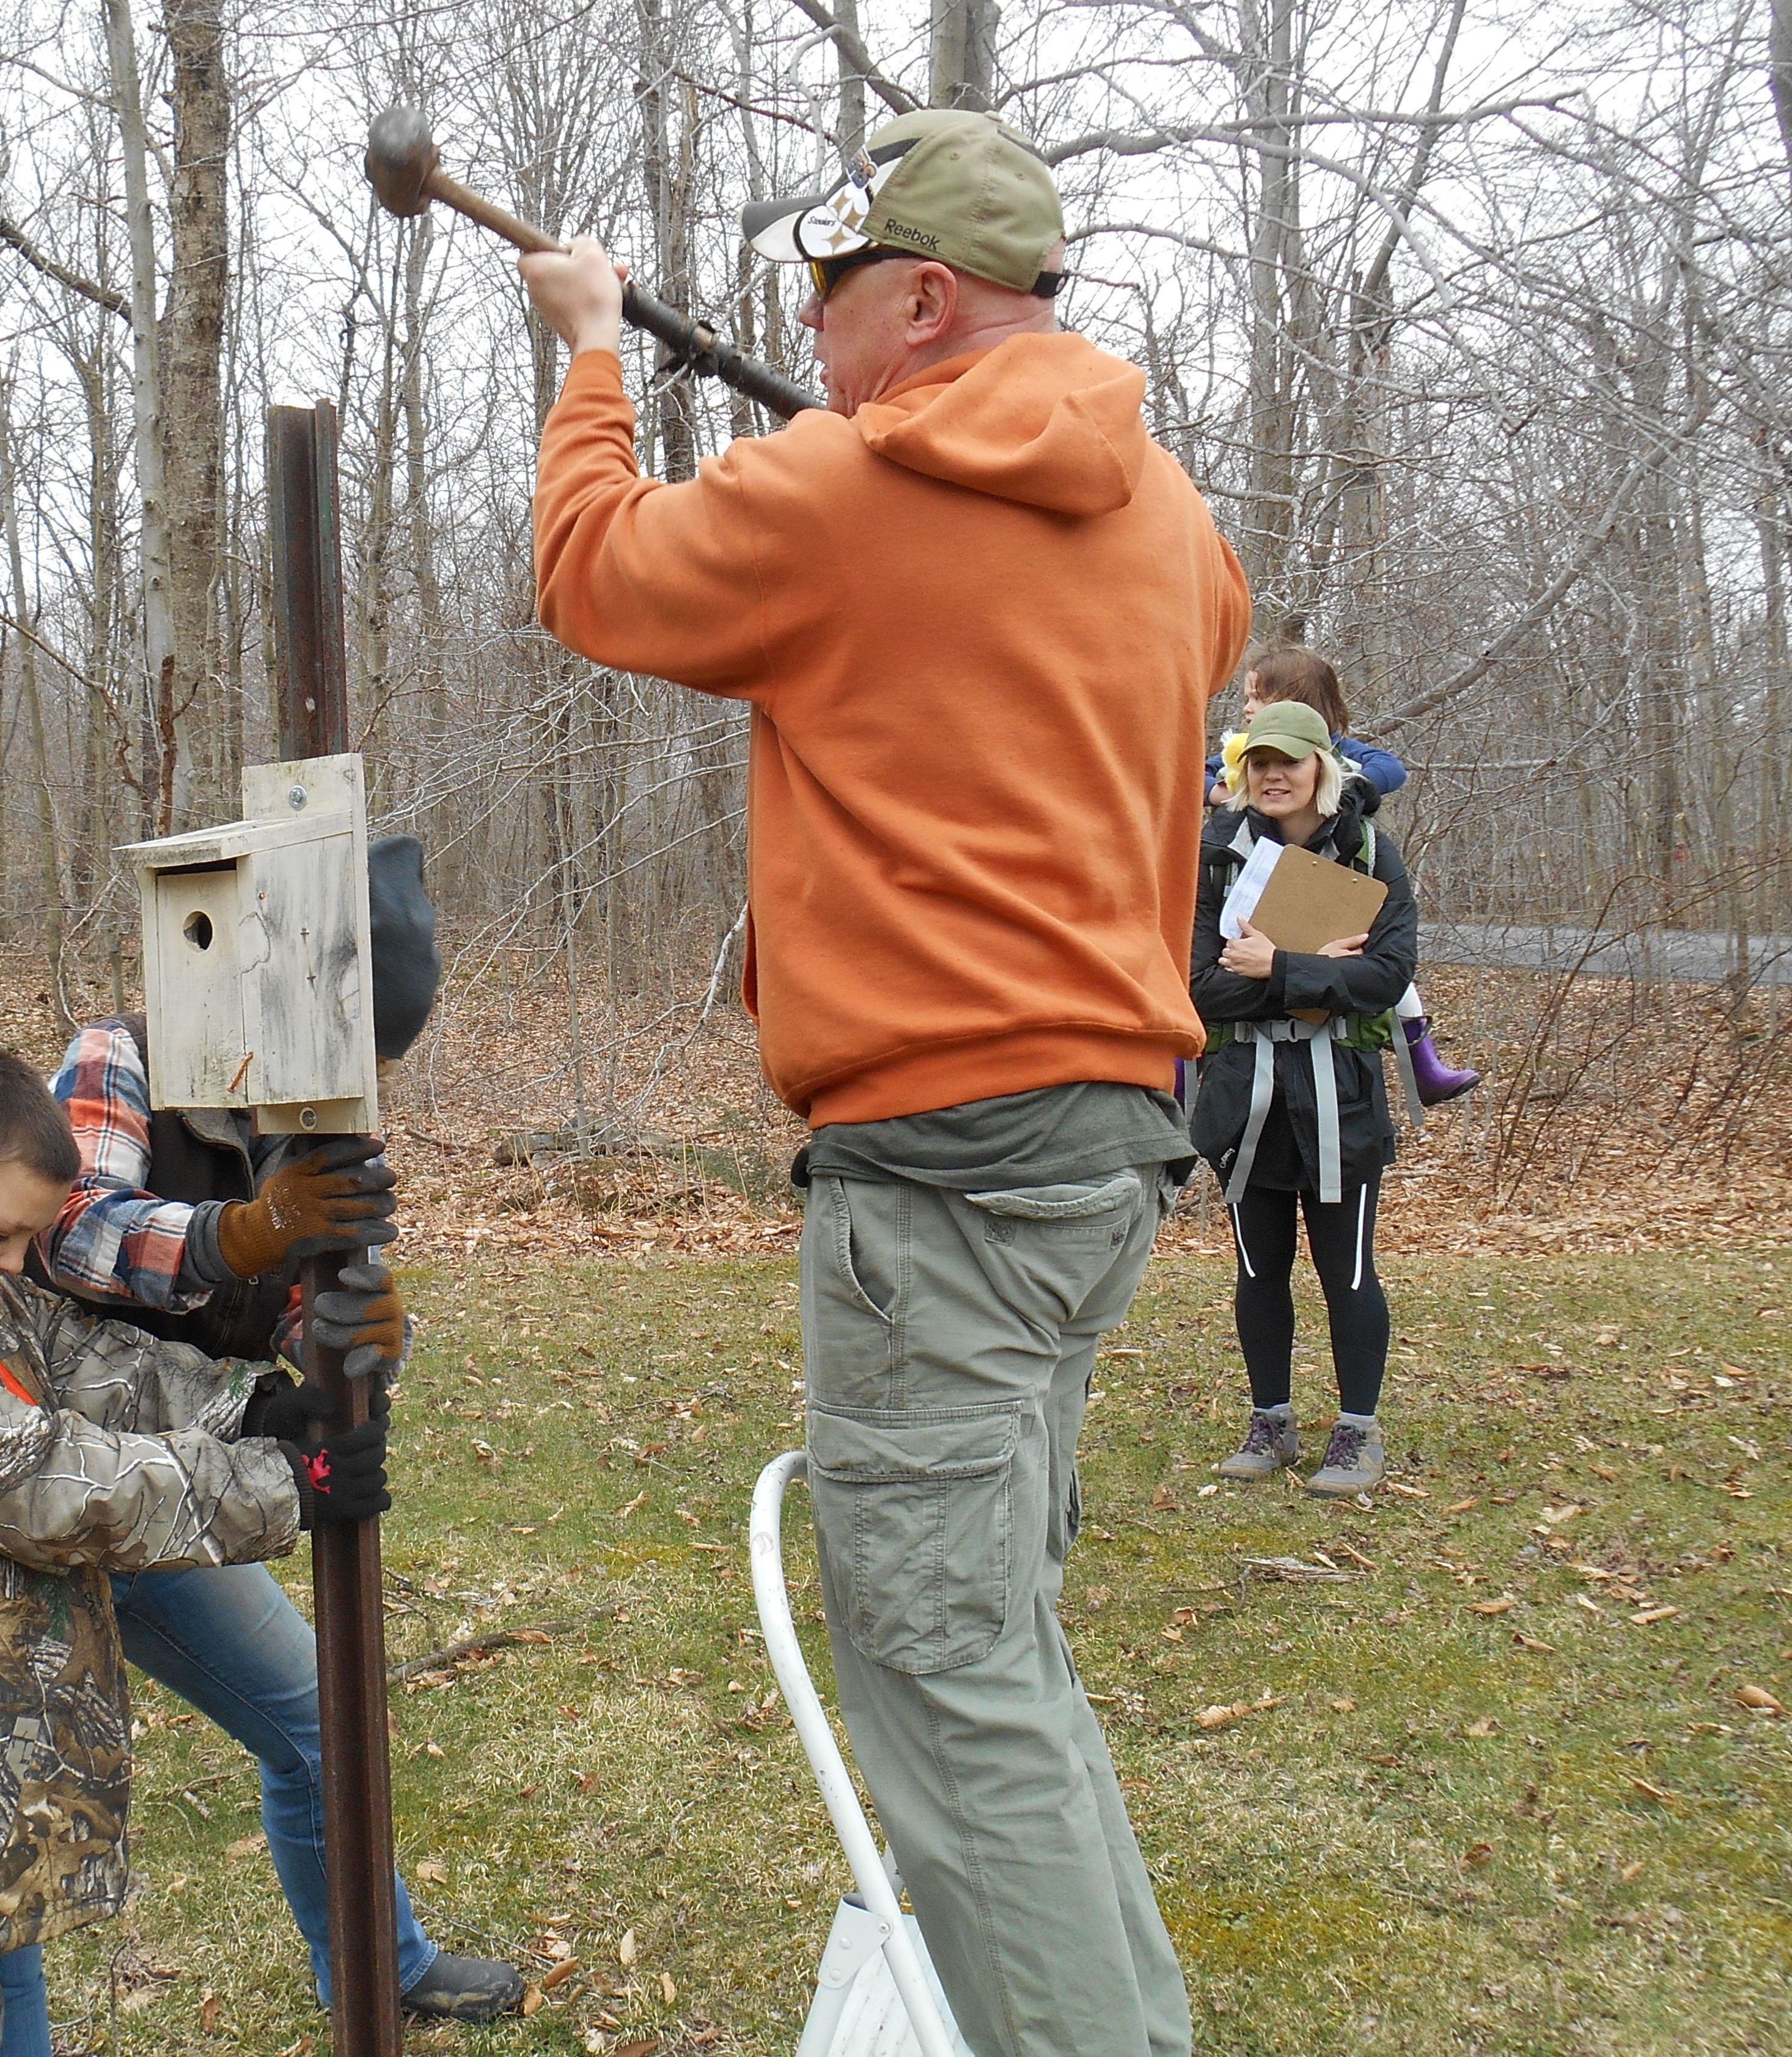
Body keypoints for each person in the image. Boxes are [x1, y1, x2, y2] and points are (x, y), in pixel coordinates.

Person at [519, 108, 1245, 2057]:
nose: (817, 337)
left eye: (835, 300)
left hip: (940, 1162)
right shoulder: (1178, 527)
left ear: (923, 300)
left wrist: (590, 349)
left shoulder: (843, 485)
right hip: (1106, 1145)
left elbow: (593, 573)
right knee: (993, 1655)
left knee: (940, 1676)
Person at [0, 1045, 399, 2057]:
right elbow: (47, 1484)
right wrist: (286, 1487)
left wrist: (252, 1406)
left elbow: (88, 1362)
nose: (16, 1262)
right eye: (5, 1234)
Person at [26, 837, 525, 2033]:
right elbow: (71, 1229)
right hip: (45, 1468)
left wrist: (361, 1343)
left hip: (189, 1472)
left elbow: (320, 1327)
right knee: (3, 1800)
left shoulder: (323, 1126)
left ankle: (377, 1968)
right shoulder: (123, 1054)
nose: (344, 1083)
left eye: (369, 1063)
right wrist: (239, 1235)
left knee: (315, 1720)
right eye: (348, 1048)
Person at [1188, 702, 1417, 1496]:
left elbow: (1384, 978)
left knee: (1344, 1269)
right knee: (1260, 1268)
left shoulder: (1365, 854)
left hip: (1339, 1102)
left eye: (1289, 759)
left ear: (1322, 764)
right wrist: (1318, 972)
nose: (1273, 775)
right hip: (1241, 1099)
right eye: (1258, 762)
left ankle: (1356, 1432)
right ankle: (1270, 1421)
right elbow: (1197, 988)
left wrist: (1276, 967)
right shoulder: (1215, 855)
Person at [1208, 646, 1479, 1104]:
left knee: (1385, 969)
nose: (1247, 708)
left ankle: (1422, 1060)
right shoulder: (1234, 769)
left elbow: (1389, 769)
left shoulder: (1342, 762)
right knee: (1215, 960)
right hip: (1240, 1076)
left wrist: (1353, 788)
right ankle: (1174, 1074)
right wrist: (1224, 792)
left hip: (1329, 883)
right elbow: (1203, 982)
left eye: (1258, 697)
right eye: (1261, 766)